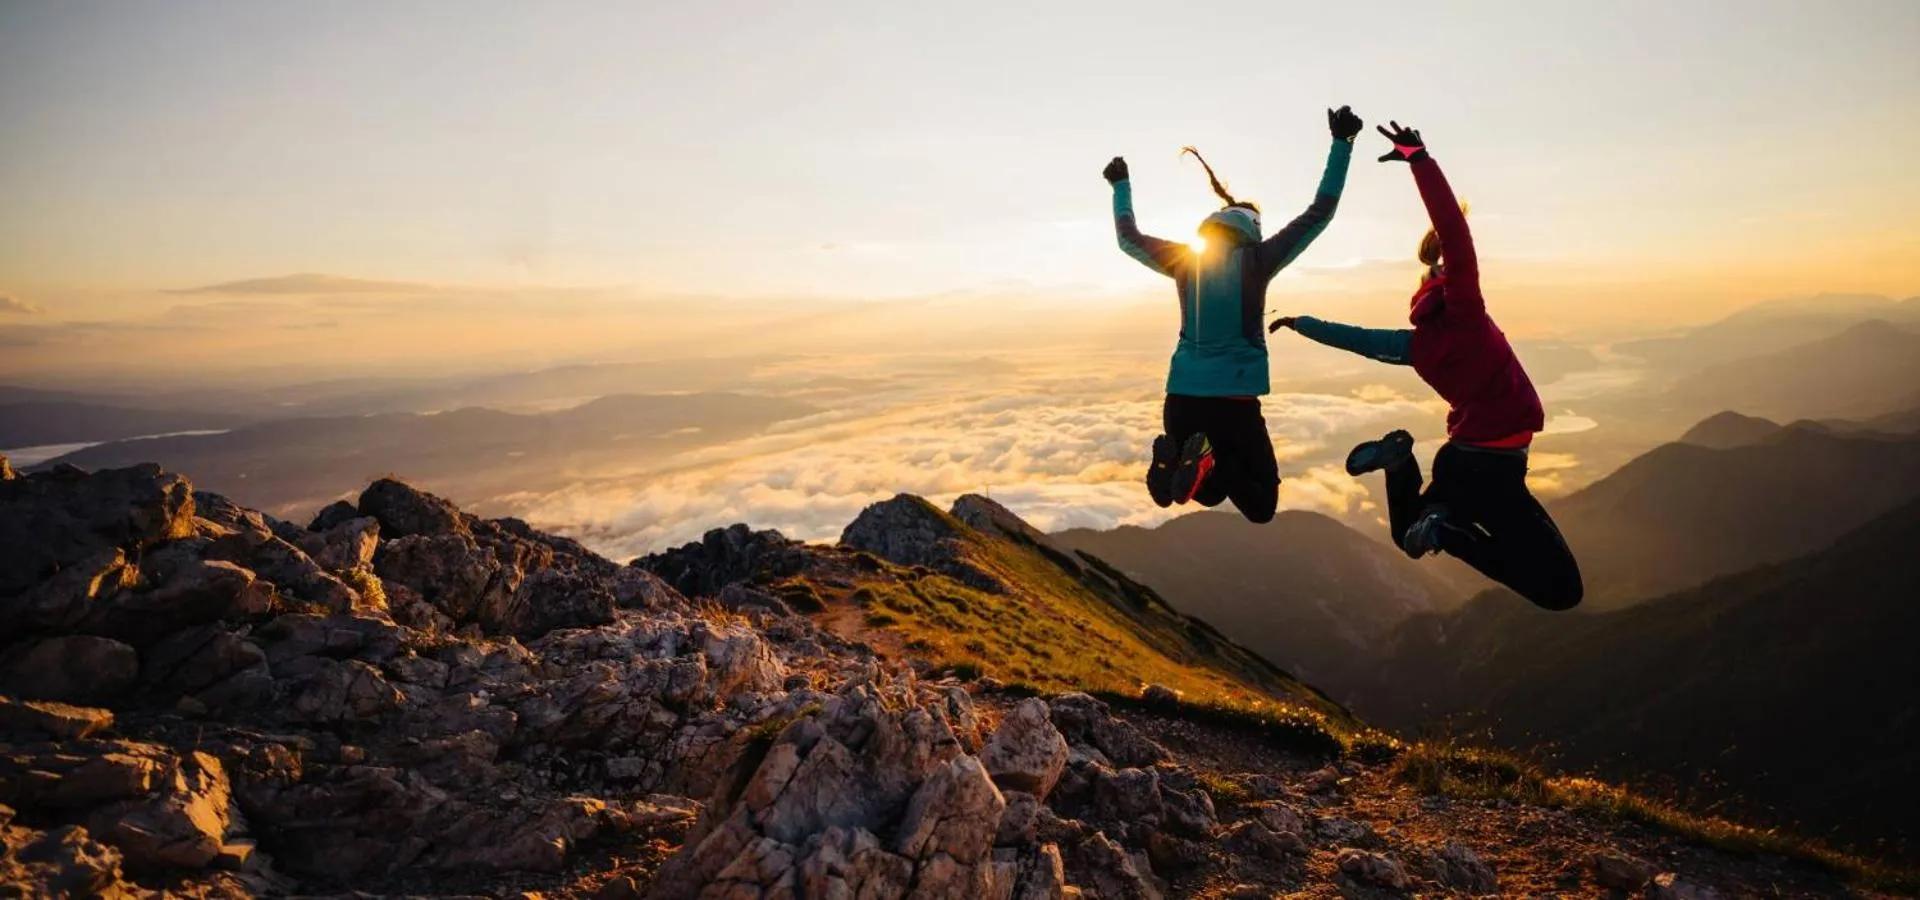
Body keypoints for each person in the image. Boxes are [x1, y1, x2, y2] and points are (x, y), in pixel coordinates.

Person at [1269, 121, 1583, 610]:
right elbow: (1455, 234)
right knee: (1562, 590)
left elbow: (1358, 340)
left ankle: (1402, 466)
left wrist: (1301, 322)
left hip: (1462, 462)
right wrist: (1419, 158)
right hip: (1493, 470)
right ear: (1443, 278)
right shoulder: (1466, 313)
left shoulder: (1416, 344)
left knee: (1408, 532)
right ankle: (1439, 518)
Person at [1106, 105, 1364, 523]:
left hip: (1181, 401)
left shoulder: (1184, 260)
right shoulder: (1257, 260)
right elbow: (1320, 212)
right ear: (1251, 228)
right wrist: (1342, 143)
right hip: (1233, 404)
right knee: (1261, 505)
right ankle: (1206, 462)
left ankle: (1181, 465)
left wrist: (1120, 185)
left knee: (1205, 495)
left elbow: (1128, 239)